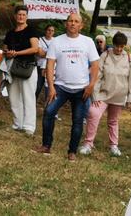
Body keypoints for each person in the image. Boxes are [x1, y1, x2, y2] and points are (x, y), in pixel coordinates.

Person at [36, 13, 99, 161]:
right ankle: (46, 145)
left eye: (76, 21)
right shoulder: (56, 42)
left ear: (81, 25)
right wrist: (50, 86)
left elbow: (96, 65)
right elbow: (50, 64)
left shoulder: (88, 42)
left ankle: (72, 152)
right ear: (66, 24)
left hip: (81, 89)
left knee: (77, 121)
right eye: (70, 21)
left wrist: (91, 85)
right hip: (60, 87)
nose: (73, 23)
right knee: (49, 112)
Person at [79, 31, 131, 157]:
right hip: (103, 94)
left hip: (119, 95)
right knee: (93, 113)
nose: (119, 49)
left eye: (122, 46)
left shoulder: (128, 58)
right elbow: (97, 76)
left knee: (113, 120)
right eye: (117, 46)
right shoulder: (105, 55)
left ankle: (113, 145)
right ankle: (88, 144)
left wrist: (130, 98)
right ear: (113, 44)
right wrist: (95, 94)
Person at [3, 5, 39, 135]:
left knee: (28, 97)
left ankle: (29, 126)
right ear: (15, 16)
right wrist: (8, 52)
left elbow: (35, 48)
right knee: (13, 97)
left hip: (27, 67)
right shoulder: (10, 32)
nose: (21, 17)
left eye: (24, 15)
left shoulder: (32, 30)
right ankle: (18, 123)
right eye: (19, 14)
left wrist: (17, 53)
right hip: (12, 67)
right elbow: (5, 49)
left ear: (27, 16)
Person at [35, 24, 55, 100]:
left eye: (52, 31)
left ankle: (48, 107)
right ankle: (32, 103)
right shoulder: (40, 40)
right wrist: (52, 54)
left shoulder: (55, 41)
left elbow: (58, 55)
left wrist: (45, 53)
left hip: (52, 68)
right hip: (40, 66)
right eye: (49, 30)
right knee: (38, 86)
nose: (50, 32)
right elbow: (40, 53)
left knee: (49, 88)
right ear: (45, 31)